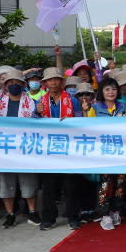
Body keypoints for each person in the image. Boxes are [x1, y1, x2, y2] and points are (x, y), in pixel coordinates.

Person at [35, 67, 85, 231]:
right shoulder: (40, 102)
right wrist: (36, 113)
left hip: (69, 148)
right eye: (50, 80)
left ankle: (73, 217)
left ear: (62, 82)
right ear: (45, 83)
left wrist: (71, 122)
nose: (54, 82)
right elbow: (31, 125)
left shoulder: (72, 100)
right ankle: (49, 218)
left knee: (71, 184)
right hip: (48, 149)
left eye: (56, 79)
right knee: (49, 185)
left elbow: (80, 122)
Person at [0, 70, 41, 229]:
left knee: (28, 180)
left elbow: (39, 123)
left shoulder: (33, 102)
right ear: (5, 85)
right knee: (6, 182)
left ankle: (32, 212)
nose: (14, 85)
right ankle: (10, 214)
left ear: (23, 84)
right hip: (5, 147)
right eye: (11, 82)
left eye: (17, 82)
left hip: (25, 147)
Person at [91, 76, 126, 230]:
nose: (111, 92)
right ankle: (104, 214)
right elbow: (87, 129)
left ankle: (116, 211)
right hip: (104, 153)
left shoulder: (125, 106)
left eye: (114, 88)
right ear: (101, 91)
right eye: (107, 89)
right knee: (105, 183)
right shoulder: (95, 108)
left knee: (120, 183)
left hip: (121, 152)